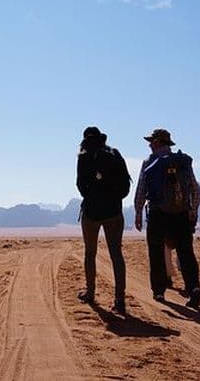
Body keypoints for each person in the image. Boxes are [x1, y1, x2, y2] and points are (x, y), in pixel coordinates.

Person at [134, 129, 200, 308]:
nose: (149, 145)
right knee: (186, 252)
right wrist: (192, 210)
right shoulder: (183, 162)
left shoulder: (149, 162)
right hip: (181, 214)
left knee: (156, 252)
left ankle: (159, 291)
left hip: (158, 214)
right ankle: (194, 288)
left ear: (157, 143)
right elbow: (195, 189)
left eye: (151, 142)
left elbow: (141, 189)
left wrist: (138, 212)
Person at [75, 126, 131, 315]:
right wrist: (112, 198)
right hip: (114, 212)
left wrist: (93, 196)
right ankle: (120, 300)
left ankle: (90, 293)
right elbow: (125, 186)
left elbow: (80, 185)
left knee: (90, 253)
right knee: (116, 255)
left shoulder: (83, 156)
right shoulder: (114, 154)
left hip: (91, 213)